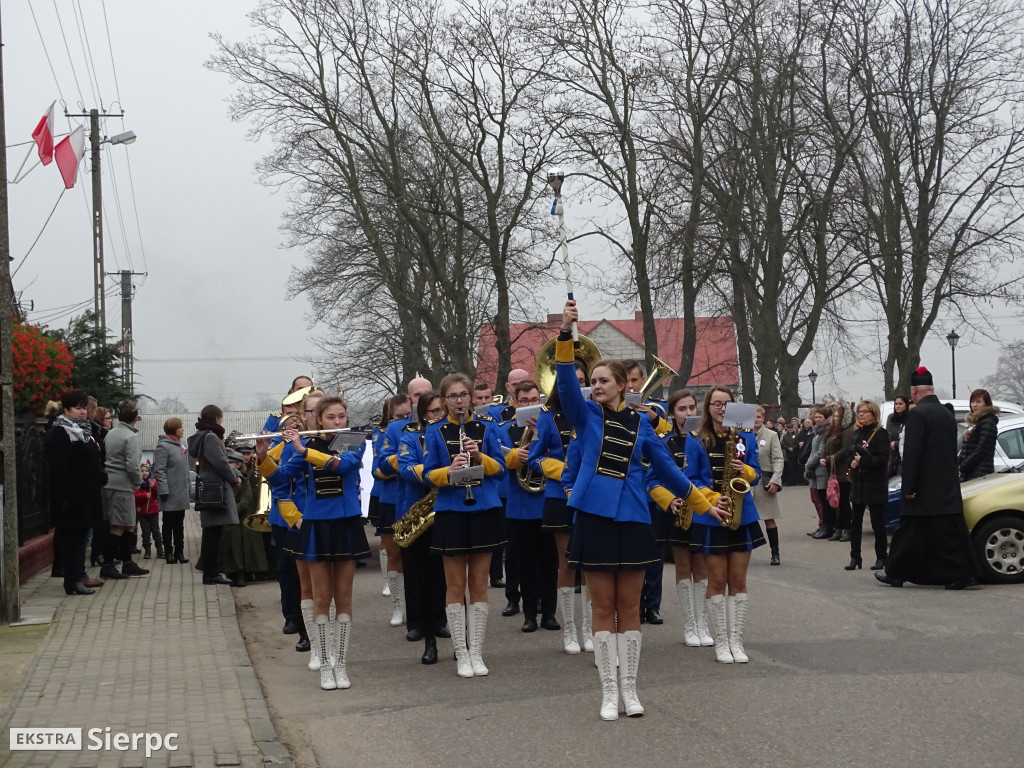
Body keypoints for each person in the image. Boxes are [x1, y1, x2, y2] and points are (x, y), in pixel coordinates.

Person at [556, 301, 713, 720]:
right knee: (603, 609)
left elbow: (668, 471)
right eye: (593, 381)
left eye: (604, 381)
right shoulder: (586, 416)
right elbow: (567, 386)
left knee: (630, 609)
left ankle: (630, 690)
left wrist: (702, 503)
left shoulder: (644, 424)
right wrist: (567, 334)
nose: (596, 386)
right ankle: (608, 692)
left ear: (624, 385)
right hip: (593, 517)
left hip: (634, 520)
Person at [277, 396, 369, 690]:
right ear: (318, 419)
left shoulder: (354, 440)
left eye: (342, 416)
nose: (338, 422)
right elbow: (280, 478)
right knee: (321, 597)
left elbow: (341, 466)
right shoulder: (305, 446)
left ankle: (340, 665)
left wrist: (304, 451)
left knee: (343, 597)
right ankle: (325, 666)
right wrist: (265, 455)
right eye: (332, 418)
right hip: (317, 525)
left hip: (346, 523)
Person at [423, 373, 508, 678]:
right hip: (451, 510)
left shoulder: (487, 428)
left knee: (479, 584)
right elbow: (427, 473)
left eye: (463, 395)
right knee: (455, 585)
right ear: (443, 400)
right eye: (452, 397)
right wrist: (450, 470)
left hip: (484, 508)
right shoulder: (434, 431)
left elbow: (500, 470)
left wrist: (478, 455)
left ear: (471, 397)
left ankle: (477, 651)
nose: (458, 401)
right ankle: (461, 652)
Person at [876, 367, 977, 590]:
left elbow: (913, 453)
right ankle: (959, 573)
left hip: (923, 487)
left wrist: (909, 485)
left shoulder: (918, 415)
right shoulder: (946, 414)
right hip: (946, 485)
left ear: (914, 391)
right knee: (948, 534)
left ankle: (897, 573)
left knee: (908, 532)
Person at [686, 386, 764, 665]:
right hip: (712, 515)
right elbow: (690, 478)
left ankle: (736, 641)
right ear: (707, 408)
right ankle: (721, 642)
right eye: (715, 404)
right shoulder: (696, 439)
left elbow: (757, 475)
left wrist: (748, 471)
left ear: (733, 408)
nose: (721, 408)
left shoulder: (745, 437)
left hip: (743, 515)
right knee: (717, 581)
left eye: (726, 404)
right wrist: (711, 499)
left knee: (739, 581)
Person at [528, 358, 593, 653]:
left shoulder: (595, 414)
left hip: (592, 494)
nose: (577, 387)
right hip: (560, 495)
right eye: (571, 382)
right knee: (566, 562)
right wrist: (562, 469)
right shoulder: (548, 416)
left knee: (592, 563)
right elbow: (533, 457)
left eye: (582, 382)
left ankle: (590, 629)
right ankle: (569, 632)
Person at [646, 389, 713, 647]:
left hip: (702, 509)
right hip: (676, 512)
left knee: (702, 568)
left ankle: (702, 623)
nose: (688, 413)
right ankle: (690, 625)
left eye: (691, 408)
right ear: (672, 414)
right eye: (682, 409)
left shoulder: (705, 439)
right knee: (683, 567)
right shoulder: (663, 441)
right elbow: (651, 479)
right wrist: (668, 499)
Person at [499, 380, 559, 634]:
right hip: (521, 503)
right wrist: (518, 455)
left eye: (536, 399)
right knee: (526, 561)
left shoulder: (552, 423)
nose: (531, 405)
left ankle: (550, 613)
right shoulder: (506, 429)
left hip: (547, 500)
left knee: (550, 560)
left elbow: (562, 455)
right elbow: (499, 461)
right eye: (525, 401)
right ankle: (530, 613)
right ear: (515, 402)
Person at [375, 379, 433, 628]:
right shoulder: (396, 428)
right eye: (417, 395)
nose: (421, 398)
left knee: (435, 562)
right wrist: (406, 459)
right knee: (401, 557)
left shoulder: (439, 423)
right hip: (403, 499)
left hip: (437, 500)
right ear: (410, 399)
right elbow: (382, 465)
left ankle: (436, 616)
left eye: (426, 393)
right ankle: (403, 610)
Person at [396, 391, 450, 663]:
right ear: (422, 414)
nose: (437, 416)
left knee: (447, 576)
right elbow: (405, 467)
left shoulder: (453, 432)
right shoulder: (410, 435)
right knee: (419, 575)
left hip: (449, 510)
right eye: (432, 412)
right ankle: (419, 625)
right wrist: (433, 475)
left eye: (441, 410)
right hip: (420, 509)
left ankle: (442, 621)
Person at [45, 389, 107, 595]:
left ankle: (80, 575)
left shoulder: (84, 431)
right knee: (72, 539)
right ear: (66, 410)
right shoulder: (61, 432)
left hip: (87, 494)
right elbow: (59, 467)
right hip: (72, 497)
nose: (82, 412)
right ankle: (72, 581)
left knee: (82, 537)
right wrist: (65, 496)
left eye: (83, 408)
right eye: (77, 408)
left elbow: (92, 458)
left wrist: (100, 474)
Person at [187, 404, 242, 586]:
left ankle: (211, 571)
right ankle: (210, 573)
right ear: (217, 417)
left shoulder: (204, 435)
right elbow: (220, 462)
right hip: (215, 488)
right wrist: (234, 479)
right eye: (221, 417)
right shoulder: (210, 437)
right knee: (213, 533)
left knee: (212, 531)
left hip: (210, 487)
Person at [101, 400, 149, 579]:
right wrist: (138, 482)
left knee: (128, 524)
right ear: (136, 417)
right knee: (119, 526)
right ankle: (108, 564)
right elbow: (132, 465)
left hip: (110, 482)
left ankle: (127, 562)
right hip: (123, 485)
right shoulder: (130, 437)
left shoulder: (111, 433)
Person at [845, 400, 890, 571]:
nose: (861, 414)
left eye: (865, 411)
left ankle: (881, 557)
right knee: (855, 523)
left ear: (873, 413)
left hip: (875, 484)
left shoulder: (881, 434)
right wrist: (852, 463)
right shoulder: (857, 433)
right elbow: (851, 456)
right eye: (859, 411)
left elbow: (883, 458)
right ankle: (855, 557)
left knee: (877, 523)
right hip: (858, 484)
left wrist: (863, 461)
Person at [153, 417, 190, 565]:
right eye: (180, 427)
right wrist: (163, 490)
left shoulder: (181, 445)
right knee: (168, 524)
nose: (182, 429)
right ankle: (168, 552)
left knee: (179, 524)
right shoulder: (163, 446)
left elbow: (186, 469)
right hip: (169, 492)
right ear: (174, 429)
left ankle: (179, 552)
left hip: (181, 492)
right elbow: (159, 470)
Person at [753, 406, 784, 565]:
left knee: (769, 518)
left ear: (763, 418)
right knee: (740, 519)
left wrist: (775, 481)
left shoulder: (771, 435)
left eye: (758, 417)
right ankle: (739, 552)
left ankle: (775, 553)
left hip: (765, 481)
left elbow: (778, 459)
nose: (756, 420)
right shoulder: (740, 435)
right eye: (753, 417)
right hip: (745, 481)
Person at [821, 406, 855, 542]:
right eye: (834, 416)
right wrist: (823, 457)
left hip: (843, 472)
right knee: (834, 502)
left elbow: (845, 450)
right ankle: (838, 527)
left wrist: (829, 459)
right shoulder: (832, 432)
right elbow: (825, 446)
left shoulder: (848, 431)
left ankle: (847, 528)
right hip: (832, 472)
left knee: (843, 502)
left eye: (838, 416)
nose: (835, 419)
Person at [803, 408, 833, 538]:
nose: (817, 420)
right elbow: (812, 451)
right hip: (814, 471)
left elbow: (821, 451)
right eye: (816, 417)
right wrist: (808, 464)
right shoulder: (816, 433)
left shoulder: (827, 433)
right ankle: (822, 526)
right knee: (817, 499)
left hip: (821, 471)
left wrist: (809, 464)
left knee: (824, 501)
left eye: (820, 417)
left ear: (827, 419)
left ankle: (827, 527)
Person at [958, 389, 999, 481]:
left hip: (980, 473)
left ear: (986, 404)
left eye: (978, 402)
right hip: (971, 471)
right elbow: (966, 450)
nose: (975, 405)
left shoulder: (988, 422)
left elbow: (981, 449)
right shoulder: (975, 422)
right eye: (972, 401)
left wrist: (964, 467)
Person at [134, 464, 164, 560]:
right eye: (142, 471)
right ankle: (147, 550)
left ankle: (160, 549)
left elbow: (156, 494)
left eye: (146, 471)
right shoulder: (137, 484)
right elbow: (135, 495)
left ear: (149, 472)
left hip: (153, 511)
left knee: (156, 531)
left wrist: (154, 486)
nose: (144, 473)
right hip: (142, 512)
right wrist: (144, 495)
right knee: (145, 532)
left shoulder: (153, 482)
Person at [886, 395, 909, 477]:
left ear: (906, 405)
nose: (898, 406)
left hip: (904, 457)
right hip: (892, 457)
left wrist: (896, 444)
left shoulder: (910, 418)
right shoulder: (891, 418)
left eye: (900, 404)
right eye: (896, 404)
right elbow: (888, 434)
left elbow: (910, 439)